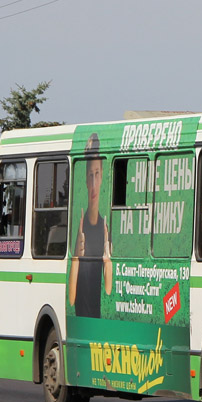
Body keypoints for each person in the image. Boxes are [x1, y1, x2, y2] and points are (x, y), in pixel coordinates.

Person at [68, 133, 113, 318]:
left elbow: (109, 291)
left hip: (97, 320)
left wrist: (107, 259)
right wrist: (77, 257)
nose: (94, 183)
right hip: (79, 319)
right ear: (86, 181)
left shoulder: (106, 228)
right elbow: (71, 300)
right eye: (90, 176)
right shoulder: (78, 228)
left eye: (97, 174)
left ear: (102, 177)